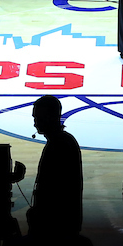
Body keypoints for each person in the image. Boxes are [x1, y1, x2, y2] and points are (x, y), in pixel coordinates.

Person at [27, 95, 83, 237]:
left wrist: (38, 214)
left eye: (38, 118)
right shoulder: (64, 141)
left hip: (56, 224)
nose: (35, 123)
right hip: (64, 222)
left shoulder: (59, 145)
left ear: (50, 117)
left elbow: (53, 189)